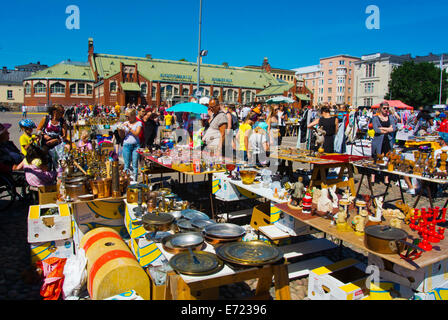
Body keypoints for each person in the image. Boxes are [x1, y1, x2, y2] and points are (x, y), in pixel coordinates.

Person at [371, 102, 397, 184]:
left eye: (387, 108)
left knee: (387, 159)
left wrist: (383, 128)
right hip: (378, 141)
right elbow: (376, 130)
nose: (386, 110)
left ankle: (386, 178)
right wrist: (388, 129)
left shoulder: (391, 117)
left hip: (388, 141)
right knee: (376, 158)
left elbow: (394, 128)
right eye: (384, 108)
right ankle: (373, 177)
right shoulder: (375, 118)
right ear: (380, 109)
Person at [118, 108, 143, 182]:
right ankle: (126, 181)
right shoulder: (125, 123)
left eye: (128, 116)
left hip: (136, 145)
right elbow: (122, 136)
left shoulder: (138, 123)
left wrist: (129, 127)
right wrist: (120, 130)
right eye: (126, 116)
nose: (127, 118)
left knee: (135, 164)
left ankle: (134, 181)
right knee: (126, 164)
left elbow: (136, 134)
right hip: (126, 145)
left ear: (133, 116)